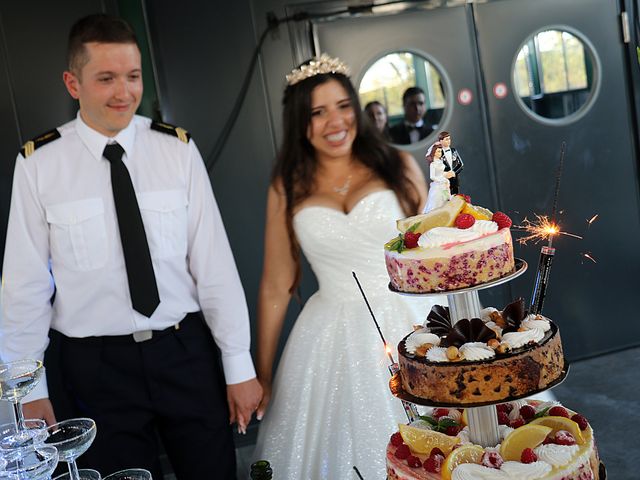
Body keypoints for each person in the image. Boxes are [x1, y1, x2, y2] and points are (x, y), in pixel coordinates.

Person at [0, 14, 261, 479]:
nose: (124, 92)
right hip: (94, 370)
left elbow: (214, 266)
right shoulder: (39, 165)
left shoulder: (177, 151)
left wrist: (238, 365)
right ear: (72, 82)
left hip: (184, 352)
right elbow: (25, 288)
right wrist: (29, 387)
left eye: (133, 76)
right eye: (106, 78)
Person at [252, 54, 446, 479]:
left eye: (342, 106)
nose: (334, 122)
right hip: (327, 334)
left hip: (408, 320)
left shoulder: (397, 166)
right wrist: (262, 373)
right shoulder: (287, 186)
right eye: (317, 112)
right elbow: (275, 286)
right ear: (300, 123)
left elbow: (435, 255)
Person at [423, 142, 454, 212]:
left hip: (444, 183)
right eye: (438, 152)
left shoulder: (440, 161)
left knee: (446, 197)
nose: (440, 153)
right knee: (437, 199)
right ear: (434, 152)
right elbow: (432, 176)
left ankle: (447, 210)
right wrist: (441, 180)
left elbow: (440, 173)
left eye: (440, 151)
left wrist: (447, 174)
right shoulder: (433, 164)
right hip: (438, 184)